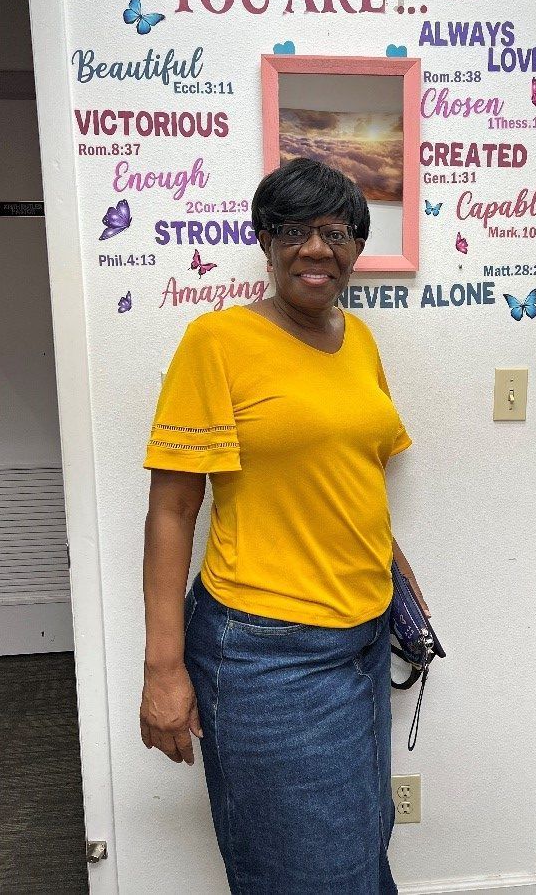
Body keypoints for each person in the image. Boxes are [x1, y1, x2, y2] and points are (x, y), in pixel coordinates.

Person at [140, 157, 428, 894]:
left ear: (357, 248)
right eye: (292, 230)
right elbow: (173, 510)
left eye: (336, 232)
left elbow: (352, 470)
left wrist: (394, 569)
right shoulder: (218, 343)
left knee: (364, 845)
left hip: (363, 637)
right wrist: (163, 669)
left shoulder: (358, 340)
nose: (315, 248)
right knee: (305, 874)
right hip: (267, 656)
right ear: (265, 242)